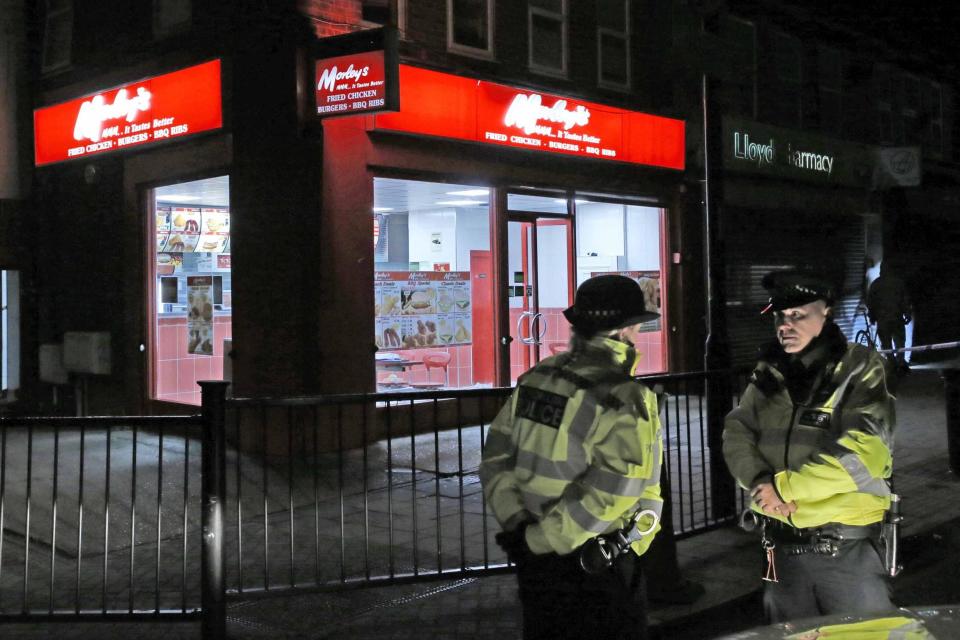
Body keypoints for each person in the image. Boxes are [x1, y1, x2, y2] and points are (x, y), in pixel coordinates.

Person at [479, 274, 664, 640]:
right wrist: (544, 539)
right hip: (595, 567)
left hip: (535, 561)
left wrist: (519, 528)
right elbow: (617, 488)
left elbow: (495, 457)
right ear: (624, 331)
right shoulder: (624, 395)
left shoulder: (536, 378)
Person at [723, 270, 896, 623]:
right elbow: (737, 429)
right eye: (780, 317)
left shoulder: (859, 368)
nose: (785, 325)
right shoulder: (770, 372)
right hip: (778, 547)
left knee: (861, 633)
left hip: (844, 547)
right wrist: (758, 480)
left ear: (826, 311)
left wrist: (781, 489)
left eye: (797, 315)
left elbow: (864, 455)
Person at [866, 264, 912, 370]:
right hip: (896, 318)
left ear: (881, 271)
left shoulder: (875, 284)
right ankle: (900, 362)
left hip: (882, 320)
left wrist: (872, 316)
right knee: (900, 342)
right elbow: (904, 300)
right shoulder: (898, 283)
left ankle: (892, 364)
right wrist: (907, 313)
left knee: (886, 344)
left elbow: (870, 302)